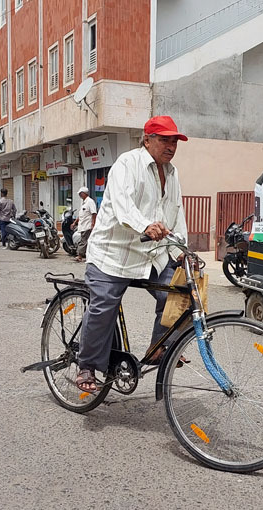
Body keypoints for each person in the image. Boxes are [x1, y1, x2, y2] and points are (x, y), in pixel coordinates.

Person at [76, 116, 189, 392]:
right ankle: (87, 365)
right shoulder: (128, 164)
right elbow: (121, 204)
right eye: (164, 140)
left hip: (149, 254)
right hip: (112, 253)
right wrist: (145, 225)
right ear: (147, 140)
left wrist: (181, 249)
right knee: (104, 305)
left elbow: (176, 214)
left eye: (174, 141)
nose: (170, 146)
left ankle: (159, 349)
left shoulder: (172, 174)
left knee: (179, 292)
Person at [71, 186, 97, 262]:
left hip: (87, 225)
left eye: (80, 193)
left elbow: (94, 213)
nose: (80, 195)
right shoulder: (84, 203)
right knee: (86, 241)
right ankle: (88, 255)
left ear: (84, 193)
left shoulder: (90, 202)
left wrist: (93, 224)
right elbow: (81, 215)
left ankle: (79, 255)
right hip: (82, 225)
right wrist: (74, 223)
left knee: (83, 241)